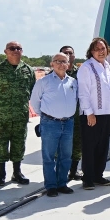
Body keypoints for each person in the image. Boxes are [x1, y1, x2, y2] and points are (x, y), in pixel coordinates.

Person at [0, 41, 37, 186]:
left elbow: (33, 91)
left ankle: (17, 172)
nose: (15, 51)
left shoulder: (28, 70)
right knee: (1, 144)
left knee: (19, 144)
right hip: (2, 115)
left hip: (20, 116)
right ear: (5, 51)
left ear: (22, 51)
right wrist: (1, 104)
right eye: (12, 48)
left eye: (18, 48)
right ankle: (1, 174)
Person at [30, 53, 78, 197]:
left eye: (64, 61)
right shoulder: (43, 82)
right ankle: (51, 186)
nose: (61, 64)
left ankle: (62, 183)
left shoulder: (73, 82)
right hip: (50, 123)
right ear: (52, 64)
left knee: (66, 155)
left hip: (68, 123)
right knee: (49, 156)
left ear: (68, 64)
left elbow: (75, 100)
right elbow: (34, 102)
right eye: (57, 61)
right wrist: (46, 115)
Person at [78, 37, 110, 190]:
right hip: (92, 114)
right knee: (89, 146)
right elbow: (83, 92)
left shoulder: (107, 66)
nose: (101, 52)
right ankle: (87, 178)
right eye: (97, 49)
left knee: (103, 145)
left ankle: (98, 175)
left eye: (103, 48)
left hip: (107, 112)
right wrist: (89, 113)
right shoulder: (86, 67)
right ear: (91, 52)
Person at [59, 45, 84, 181]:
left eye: (70, 53)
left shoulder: (80, 73)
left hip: (77, 116)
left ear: (74, 56)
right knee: (60, 146)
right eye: (65, 53)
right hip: (58, 117)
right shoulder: (53, 74)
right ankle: (60, 172)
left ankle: (74, 171)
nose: (68, 55)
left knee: (77, 144)